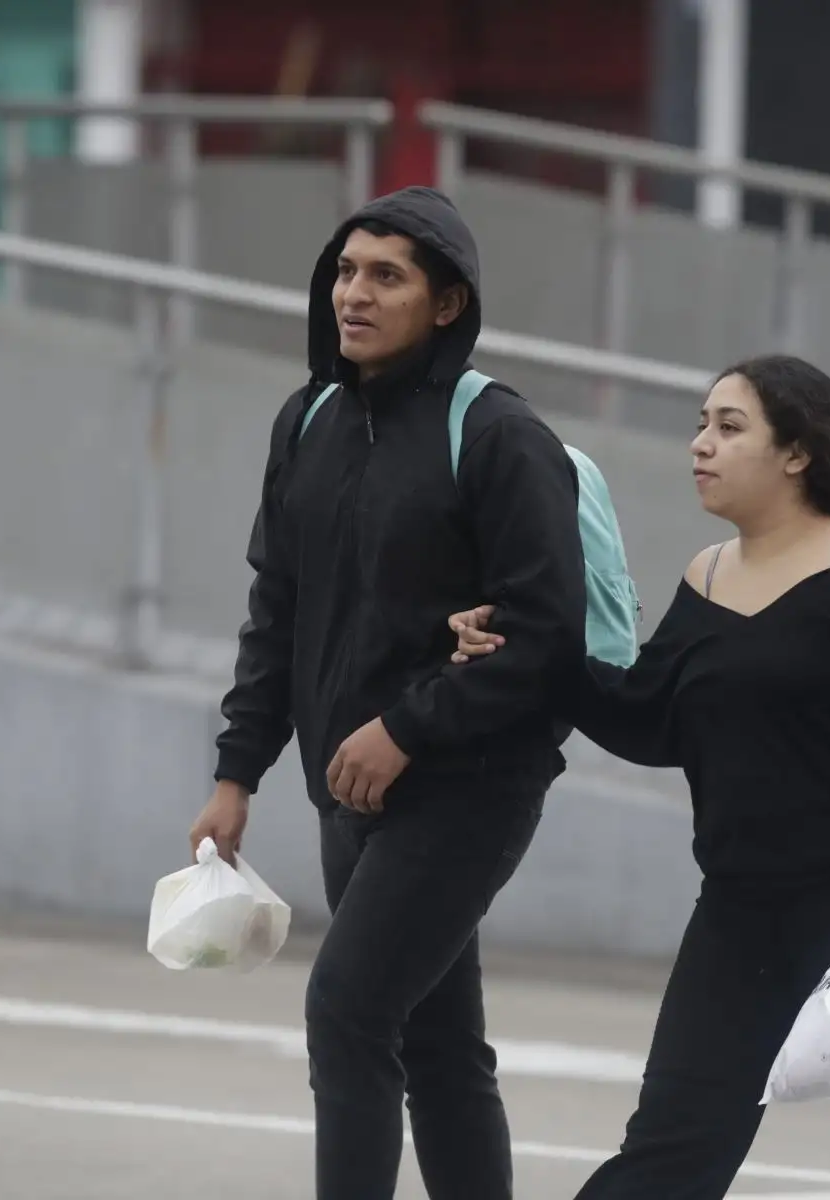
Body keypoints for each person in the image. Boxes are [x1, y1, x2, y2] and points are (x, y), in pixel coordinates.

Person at [449, 355, 830, 1199]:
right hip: (738, 918)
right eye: (701, 425)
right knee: (670, 1152)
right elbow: (648, 717)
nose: (701, 444)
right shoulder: (706, 575)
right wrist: (523, 650)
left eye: (729, 427)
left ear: (797, 452)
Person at [189, 185, 590, 1200]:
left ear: (446, 304)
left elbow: (547, 634)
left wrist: (407, 727)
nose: (353, 295)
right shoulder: (309, 420)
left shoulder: (498, 435)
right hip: (350, 790)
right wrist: (237, 774)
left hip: (469, 783)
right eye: (344, 271)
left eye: (386, 277)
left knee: (350, 1011)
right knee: (437, 1044)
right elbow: (277, 609)